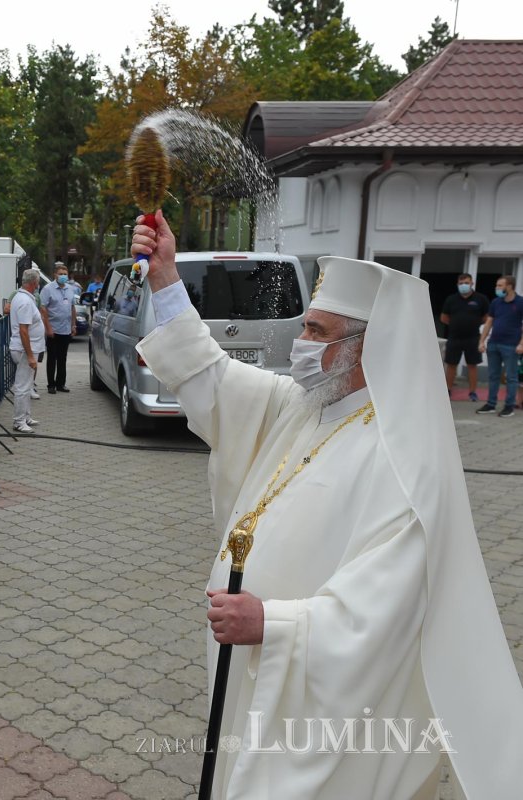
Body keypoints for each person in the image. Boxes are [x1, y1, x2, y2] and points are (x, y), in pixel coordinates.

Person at [130, 212, 523, 799]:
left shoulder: (404, 462)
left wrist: (273, 623)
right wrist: (165, 280)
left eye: (317, 331)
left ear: (368, 346)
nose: (300, 345)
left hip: (327, 710)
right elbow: (211, 378)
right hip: (257, 672)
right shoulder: (308, 404)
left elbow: (382, 612)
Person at [476, 274, 523, 417]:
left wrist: (521, 344)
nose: (497, 288)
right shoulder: (496, 302)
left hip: (511, 345)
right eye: (497, 285)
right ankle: (491, 404)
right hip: (494, 344)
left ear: (510, 286)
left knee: (511, 377)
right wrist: (482, 341)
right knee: (493, 376)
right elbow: (489, 322)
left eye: (500, 285)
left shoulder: (520, 302)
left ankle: (509, 406)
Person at [441, 273, 489, 401]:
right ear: (457, 284)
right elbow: (444, 317)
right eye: (461, 283)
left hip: (473, 338)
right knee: (451, 364)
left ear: (472, 283)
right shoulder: (451, 299)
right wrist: (457, 324)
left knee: (472, 365)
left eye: (466, 283)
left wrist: (472, 323)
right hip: (454, 338)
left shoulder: (481, 299)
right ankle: (448, 390)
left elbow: (486, 318)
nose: (464, 285)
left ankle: (472, 392)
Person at [8, 269, 44, 432]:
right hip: (24, 350)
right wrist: (30, 355)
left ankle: (26, 416)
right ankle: (19, 421)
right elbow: (23, 330)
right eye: (38, 282)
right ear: (34, 283)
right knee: (22, 386)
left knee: (27, 384)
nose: (39, 285)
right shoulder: (25, 301)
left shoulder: (23, 298)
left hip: (27, 348)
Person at [40, 262, 76, 394]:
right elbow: (43, 308)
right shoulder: (48, 289)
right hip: (53, 329)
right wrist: (48, 327)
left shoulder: (70, 289)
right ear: (55, 275)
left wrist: (73, 324)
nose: (63, 276)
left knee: (63, 358)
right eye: (60, 274)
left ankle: (61, 383)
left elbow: (72, 307)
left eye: (65, 274)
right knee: (52, 358)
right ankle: (51, 385)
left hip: (66, 329)